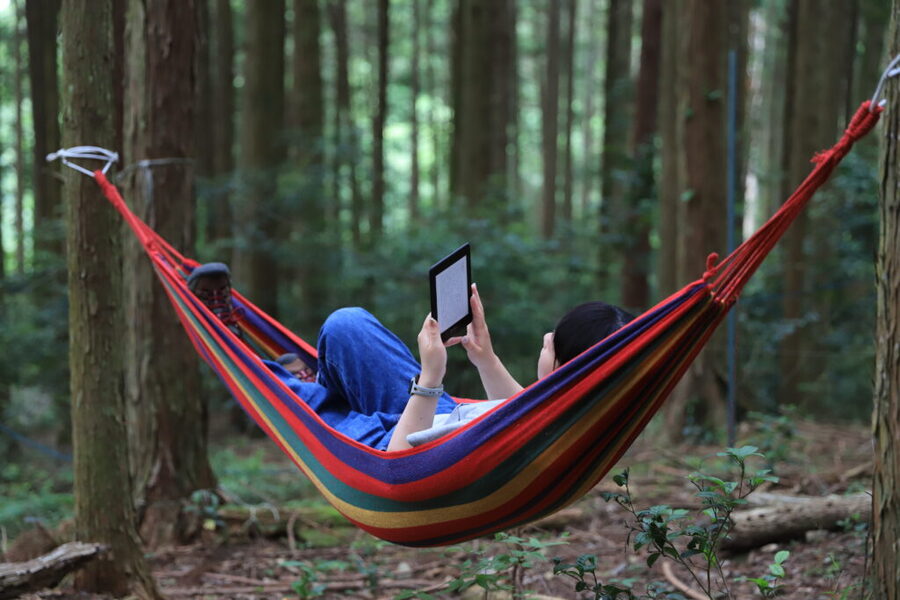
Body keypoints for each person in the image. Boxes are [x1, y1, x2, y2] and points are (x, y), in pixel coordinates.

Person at [189, 263, 634, 451]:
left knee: (305, 407)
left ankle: (232, 345)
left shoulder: (552, 424)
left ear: (561, 369)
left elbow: (401, 464)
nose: (545, 337)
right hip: (442, 417)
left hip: (400, 441)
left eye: (549, 344)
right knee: (347, 324)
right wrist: (485, 358)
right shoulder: (564, 413)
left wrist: (431, 375)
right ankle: (314, 381)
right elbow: (521, 413)